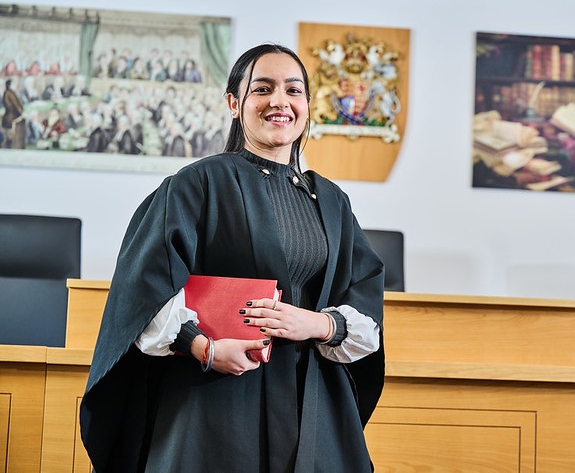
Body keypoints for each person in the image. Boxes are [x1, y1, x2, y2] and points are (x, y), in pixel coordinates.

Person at [79, 43, 386, 472]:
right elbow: (141, 291)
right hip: (214, 402)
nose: (280, 101)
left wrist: (317, 323)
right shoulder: (197, 184)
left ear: (306, 106)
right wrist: (203, 347)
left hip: (313, 401)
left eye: (293, 91)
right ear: (234, 104)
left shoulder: (333, 202)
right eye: (263, 89)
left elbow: (365, 307)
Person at [2, 79, 24, 149]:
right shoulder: (8, 93)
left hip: (13, 114)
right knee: (9, 131)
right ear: (10, 85)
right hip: (11, 115)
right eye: (13, 84)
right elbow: (14, 104)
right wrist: (20, 111)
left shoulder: (12, 93)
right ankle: (9, 142)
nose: (15, 85)